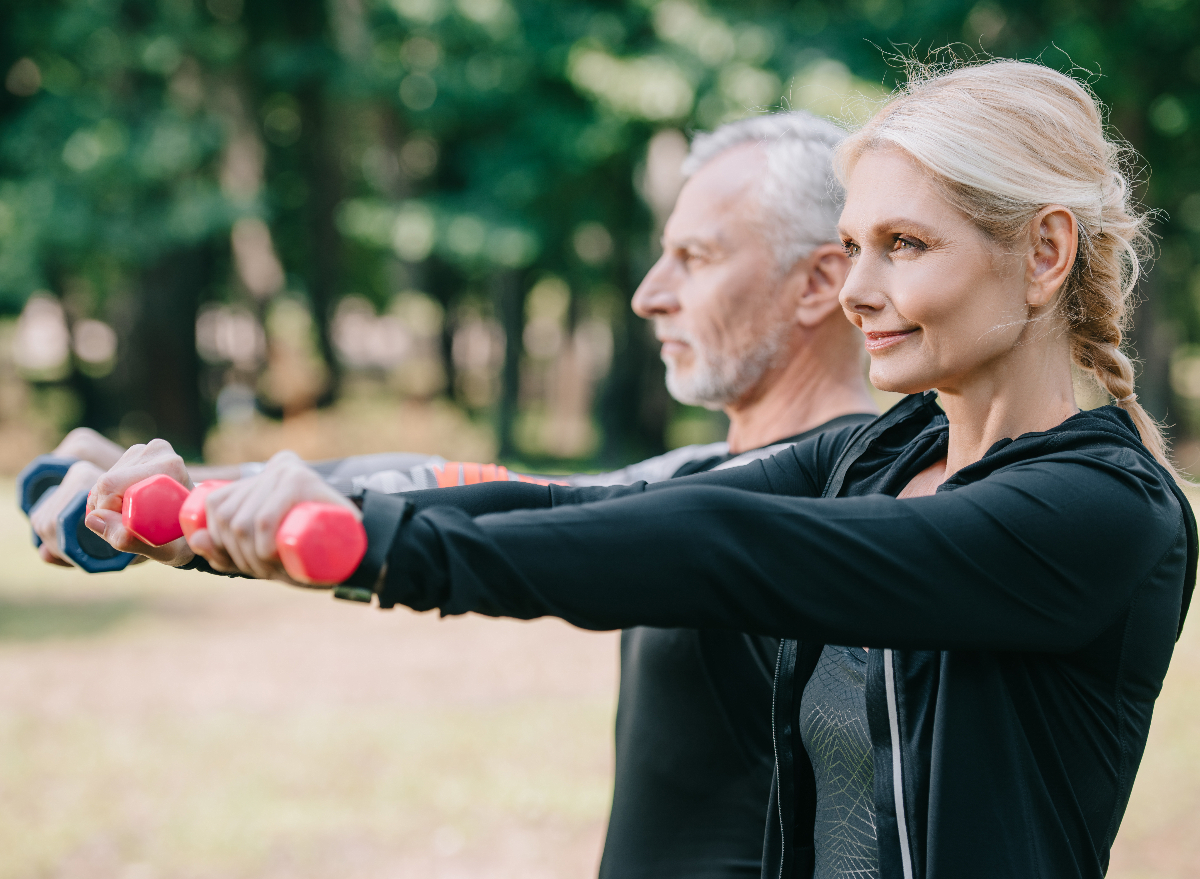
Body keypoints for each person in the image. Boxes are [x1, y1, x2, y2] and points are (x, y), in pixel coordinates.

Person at [141, 59, 1197, 878]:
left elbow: (730, 550)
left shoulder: (1099, 513)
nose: (856, 289)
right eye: (853, 245)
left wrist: (391, 548)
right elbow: (600, 504)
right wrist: (223, 518)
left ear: (1046, 253)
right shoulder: (887, 449)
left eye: (905, 247)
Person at [41, 112, 879, 878]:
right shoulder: (706, 472)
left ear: (817, 284)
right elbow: (487, 489)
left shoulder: (865, 510)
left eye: (695, 257)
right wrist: (199, 489)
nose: (649, 293)